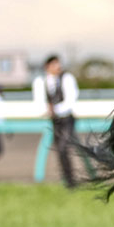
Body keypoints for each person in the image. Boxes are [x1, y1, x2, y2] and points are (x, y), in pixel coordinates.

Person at [32, 55, 79, 188]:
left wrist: (55, 109)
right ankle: (67, 179)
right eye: (54, 64)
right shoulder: (40, 82)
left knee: (64, 147)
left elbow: (71, 100)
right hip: (53, 121)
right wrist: (48, 110)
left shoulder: (67, 78)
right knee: (59, 149)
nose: (58, 67)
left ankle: (70, 181)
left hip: (67, 119)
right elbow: (39, 102)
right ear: (47, 67)